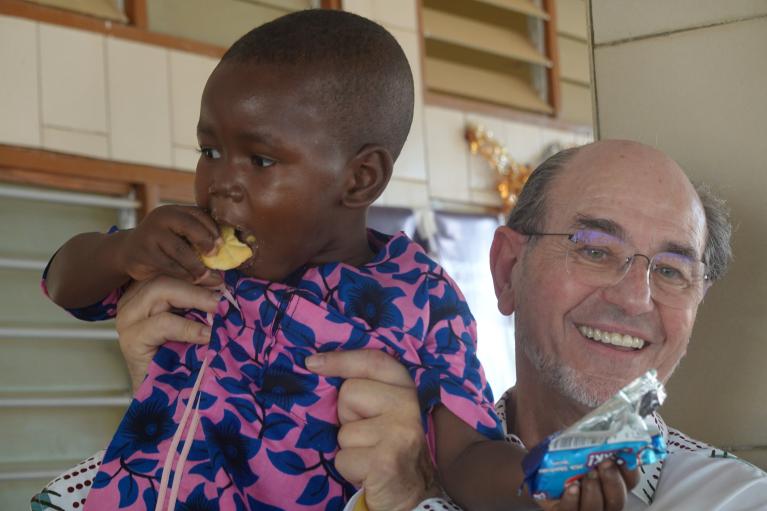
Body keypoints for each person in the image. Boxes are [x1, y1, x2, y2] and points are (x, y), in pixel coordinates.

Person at [38, 9, 630, 511]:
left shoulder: (417, 299)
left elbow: (467, 455)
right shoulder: (191, 256)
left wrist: (546, 486)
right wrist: (123, 249)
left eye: (260, 160)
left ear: (360, 178)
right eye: (210, 150)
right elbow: (62, 282)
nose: (222, 183)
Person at [90, 140, 766, 511]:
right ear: (506, 270)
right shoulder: (354, 435)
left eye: (672, 270)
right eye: (594, 250)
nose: (634, 297)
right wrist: (182, 406)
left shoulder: (732, 499)